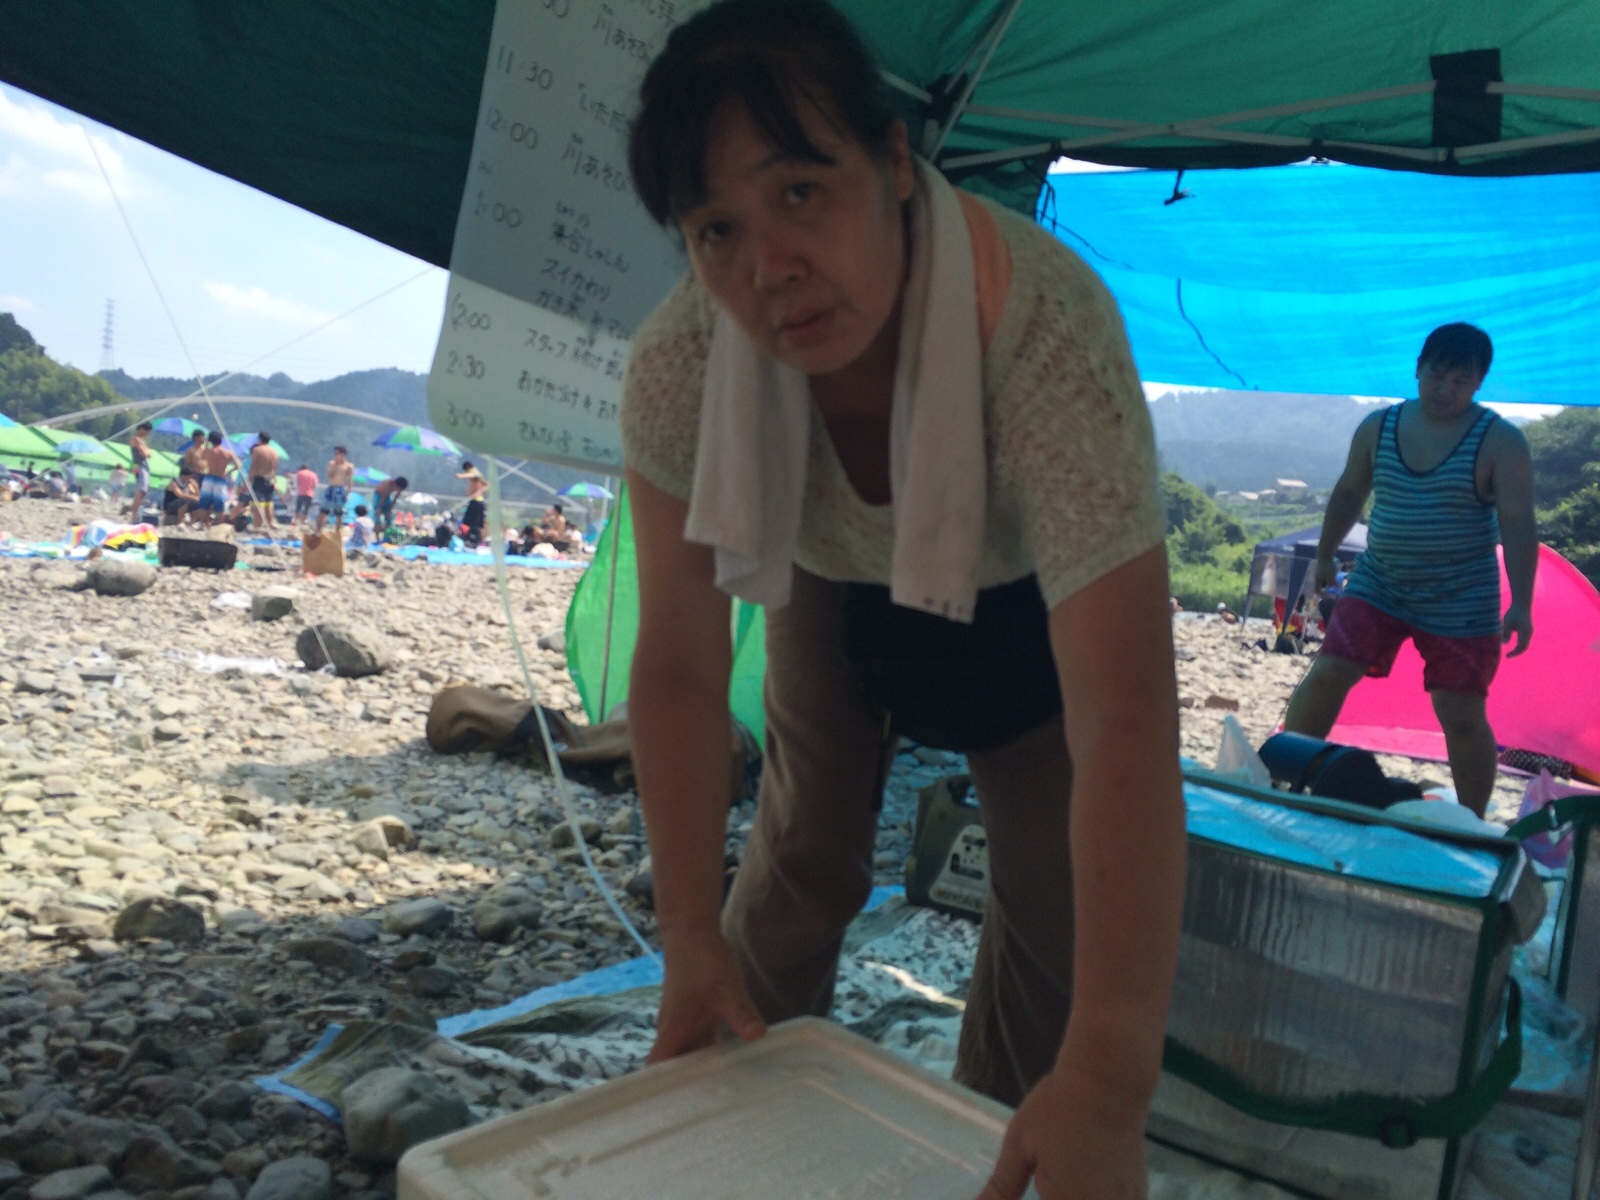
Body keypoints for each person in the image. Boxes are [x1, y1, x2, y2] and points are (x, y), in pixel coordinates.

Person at [619, 5, 1184, 1198]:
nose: (768, 267)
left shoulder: (1044, 330)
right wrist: (685, 941)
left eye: (800, 191)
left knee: (1050, 926)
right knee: (801, 858)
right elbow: (675, 667)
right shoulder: (684, 363)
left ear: (890, 163)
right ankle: (734, 1132)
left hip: (1024, 604)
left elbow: (1127, 719)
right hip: (824, 578)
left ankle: (1004, 1146)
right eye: (716, 228)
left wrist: (1109, 1075)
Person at [1282, 323, 1537, 818]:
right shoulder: (1379, 426)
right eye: (1437, 375)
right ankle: (1286, 776)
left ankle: (1470, 821)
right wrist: (1325, 554)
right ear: (1418, 369)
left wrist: (1522, 604)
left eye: (1461, 381)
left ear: (1479, 383)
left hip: (1462, 594)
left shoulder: (1501, 441)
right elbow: (1350, 491)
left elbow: (1519, 523)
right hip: (1380, 580)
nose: (1445, 390)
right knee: (1329, 672)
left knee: (1460, 709)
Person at [192, 430, 240, 528]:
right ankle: (219, 526)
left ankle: (202, 524)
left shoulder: (208, 451)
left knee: (204, 503)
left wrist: (206, 444)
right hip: (220, 478)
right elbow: (238, 464)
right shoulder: (227, 453)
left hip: (209, 477)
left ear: (210, 440)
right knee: (219, 504)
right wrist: (228, 472)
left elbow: (201, 456)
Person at [315, 446, 354, 535]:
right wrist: (335, 466)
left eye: (337, 453)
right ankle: (318, 531)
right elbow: (330, 475)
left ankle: (337, 532)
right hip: (331, 488)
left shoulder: (348, 466)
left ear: (342, 454)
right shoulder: (332, 463)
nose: (336, 455)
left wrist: (348, 493)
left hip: (340, 489)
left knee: (339, 513)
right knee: (323, 511)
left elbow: (350, 480)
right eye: (335, 453)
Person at [246, 432, 281, 531]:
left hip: (260, 479)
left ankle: (257, 526)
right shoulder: (274, 452)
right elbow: (275, 468)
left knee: (258, 504)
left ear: (259, 439)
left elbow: (254, 466)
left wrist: (248, 481)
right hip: (270, 479)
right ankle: (270, 524)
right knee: (268, 504)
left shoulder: (257, 450)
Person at [456, 460, 487, 547]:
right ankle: (468, 539)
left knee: (475, 524)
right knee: (467, 522)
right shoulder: (476, 476)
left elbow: (473, 475)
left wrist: (461, 475)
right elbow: (486, 484)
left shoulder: (475, 473)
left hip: (477, 502)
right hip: (473, 501)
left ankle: (475, 541)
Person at [126, 422, 153, 517]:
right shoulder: (135, 439)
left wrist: (146, 452)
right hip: (138, 466)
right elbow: (145, 453)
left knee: (143, 490)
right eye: (147, 430)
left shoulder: (142, 441)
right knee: (141, 489)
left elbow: (149, 454)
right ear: (142, 429)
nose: (147, 433)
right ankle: (134, 512)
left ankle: (134, 509)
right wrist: (146, 451)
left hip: (143, 466)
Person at [291, 462, 318, 528]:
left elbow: (297, 483)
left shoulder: (299, 473)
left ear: (301, 468)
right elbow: (315, 484)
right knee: (306, 508)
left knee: (298, 508)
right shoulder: (313, 474)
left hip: (301, 493)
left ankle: (296, 520)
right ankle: (303, 521)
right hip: (309, 494)